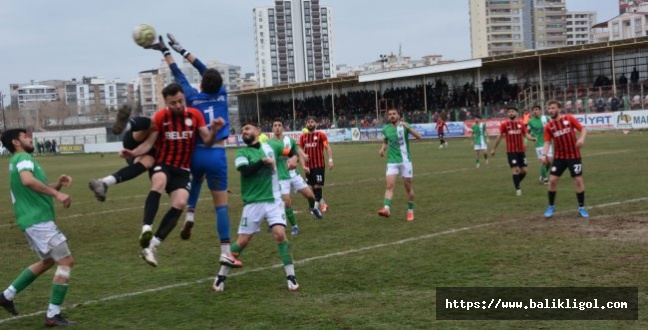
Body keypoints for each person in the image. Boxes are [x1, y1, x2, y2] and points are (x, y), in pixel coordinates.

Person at [147, 34, 235, 267]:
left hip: (195, 152)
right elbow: (207, 72)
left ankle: (190, 215)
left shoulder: (192, 98)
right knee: (221, 206)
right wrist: (183, 50)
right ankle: (225, 251)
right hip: (216, 152)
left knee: (194, 181)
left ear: (202, 84)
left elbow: (178, 74)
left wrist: (167, 52)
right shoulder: (222, 93)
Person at [120, 83, 223, 267]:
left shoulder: (195, 115)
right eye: (173, 103)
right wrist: (134, 153)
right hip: (163, 163)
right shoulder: (160, 116)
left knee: (181, 202)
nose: (177, 105)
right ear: (166, 103)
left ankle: (151, 247)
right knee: (158, 182)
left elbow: (207, 141)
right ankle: (146, 228)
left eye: (180, 101)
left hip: (182, 169)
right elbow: (150, 143)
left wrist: (214, 129)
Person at [0, 129, 75, 326]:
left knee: (49, 260)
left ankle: (7, 295)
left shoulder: (17, 160)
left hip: (30, 221)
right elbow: (27, 180)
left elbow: (36, 188)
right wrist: (58, 195)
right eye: (26, 136)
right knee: (66, 261)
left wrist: (57, 185)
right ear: (16, 142)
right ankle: (53, 314)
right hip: (38, 221)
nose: (30, 139)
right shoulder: (23, 157)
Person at [212, 122, 299, 292]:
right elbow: (245, 171)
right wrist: (263, 162)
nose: (244, 131)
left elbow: (290, 151)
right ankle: (220, 277)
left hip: (273, 201)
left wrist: (295, 157)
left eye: (247, 128)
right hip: (253, 203)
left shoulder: (272, 146)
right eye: (242, 129)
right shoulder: (241, 153)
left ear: (258, 132)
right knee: (242, 241)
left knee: (280, 234)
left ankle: (291, 276)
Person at [88, 105, 157, 202]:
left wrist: (133, 153)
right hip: (136, 140)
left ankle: (104, 182)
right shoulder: (168, 119)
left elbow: (149, 144)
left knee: (148, 162)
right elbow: (149, 142)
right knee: (154, 123)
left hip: (141, 151)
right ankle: (126, 125)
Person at [268, 118, 323, 236]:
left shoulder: (289, 140)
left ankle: (312, 208)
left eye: (279, 125)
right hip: (281, 176)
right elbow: (286, 153)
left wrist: (300, 159)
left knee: (311, 196)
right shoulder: (270, 144)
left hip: (294, 174)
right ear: (272, 129)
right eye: (275, 125)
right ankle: (294, 226)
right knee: (287, 202)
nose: (277, 127)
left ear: (282, 128)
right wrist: (293, 157)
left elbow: (297, 151)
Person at [541, 100, 589, 218]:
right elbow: (547, 142)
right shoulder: (548, 126)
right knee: (552, 181)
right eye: (549, 108)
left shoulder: (569, 118)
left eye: (553, 108)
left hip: (574, 156)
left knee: (578, 180)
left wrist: (581, 139)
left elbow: (583, 130)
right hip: (559, 158)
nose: (550, 110)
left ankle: (581, 207)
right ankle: (551, 206)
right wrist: (544, 154)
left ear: (559, 109)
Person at [377, 109, 422, 221]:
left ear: (398, 116)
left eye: (394, 114)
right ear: (388, 117)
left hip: (405, 161)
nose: (392, 116)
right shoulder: (386, 129)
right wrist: (382, 149)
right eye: (390, 114)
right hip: (392, 162)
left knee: (408, 187)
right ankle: (386, 208)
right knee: (389, 186)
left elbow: (419, 137)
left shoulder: (404, 126)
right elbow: (386, 142)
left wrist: (408, 128)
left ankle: (410, 210)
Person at [490, 107, 536, 196]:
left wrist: (532, 138)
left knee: (525, 171)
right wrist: (493, 149)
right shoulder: (504, 124)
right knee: (516, 169)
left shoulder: (521, 124)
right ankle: (518, 189)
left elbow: (526, 134)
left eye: (512, 111)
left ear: (516, 113)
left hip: (521, 151)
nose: (511, 113)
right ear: (507, 114)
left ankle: (516, 182)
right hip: (511, 151)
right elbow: (499, 137)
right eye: (509, 112)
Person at [299, 117, 333, 213]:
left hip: (319, 165)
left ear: (315, 124)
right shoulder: (303, 137)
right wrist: (303, 158)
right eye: (308, 122)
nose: (310, 123)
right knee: (310, 188)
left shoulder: (321, 135)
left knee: (317, 186)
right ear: (306, 125)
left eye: (312, 122)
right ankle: (323, 204)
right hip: (308, 166)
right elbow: (300, 150)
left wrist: (330, 160)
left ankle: (315, 207)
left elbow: (327, 147)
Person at [527, 105, 552, 184]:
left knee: (550, 162)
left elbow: (552, 127)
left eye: (537, 109)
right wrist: (530, 138)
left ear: (540, 111)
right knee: (544, 161)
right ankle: (544, 179)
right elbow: (527, 133)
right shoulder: (530, 121)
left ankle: (542, 175)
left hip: (548, 143)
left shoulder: (546, 118)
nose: (535, 111)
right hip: (538, 144)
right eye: (533, 110)